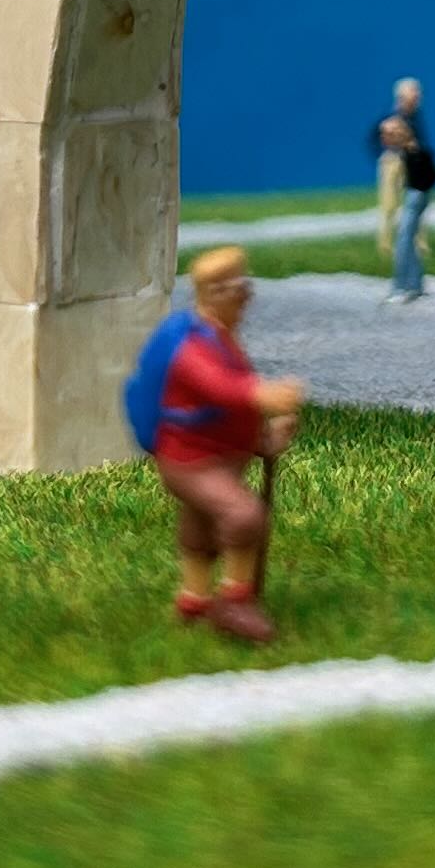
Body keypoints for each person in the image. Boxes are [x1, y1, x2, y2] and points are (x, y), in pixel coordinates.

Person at [124, 247, 302, 643]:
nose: (245, 299)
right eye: (237, 291)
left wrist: (264, 438)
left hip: (218, 456)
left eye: (245, 288)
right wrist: (263, 395)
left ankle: (194, 600)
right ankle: (235, 602)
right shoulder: (191, 347)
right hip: (191, 461)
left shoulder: (222, 338)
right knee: (243, 515)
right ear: (213, 294)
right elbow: (219, 388)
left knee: (201, 524)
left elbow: (229, 410)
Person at [372, 77, 435, 303]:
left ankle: (401, 287)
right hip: (416, 188)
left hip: (415, 190)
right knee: (407, 235)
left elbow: (426, 170)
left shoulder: (413, 145)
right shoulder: (407, 134)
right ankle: (415, 284)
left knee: (404, 238)